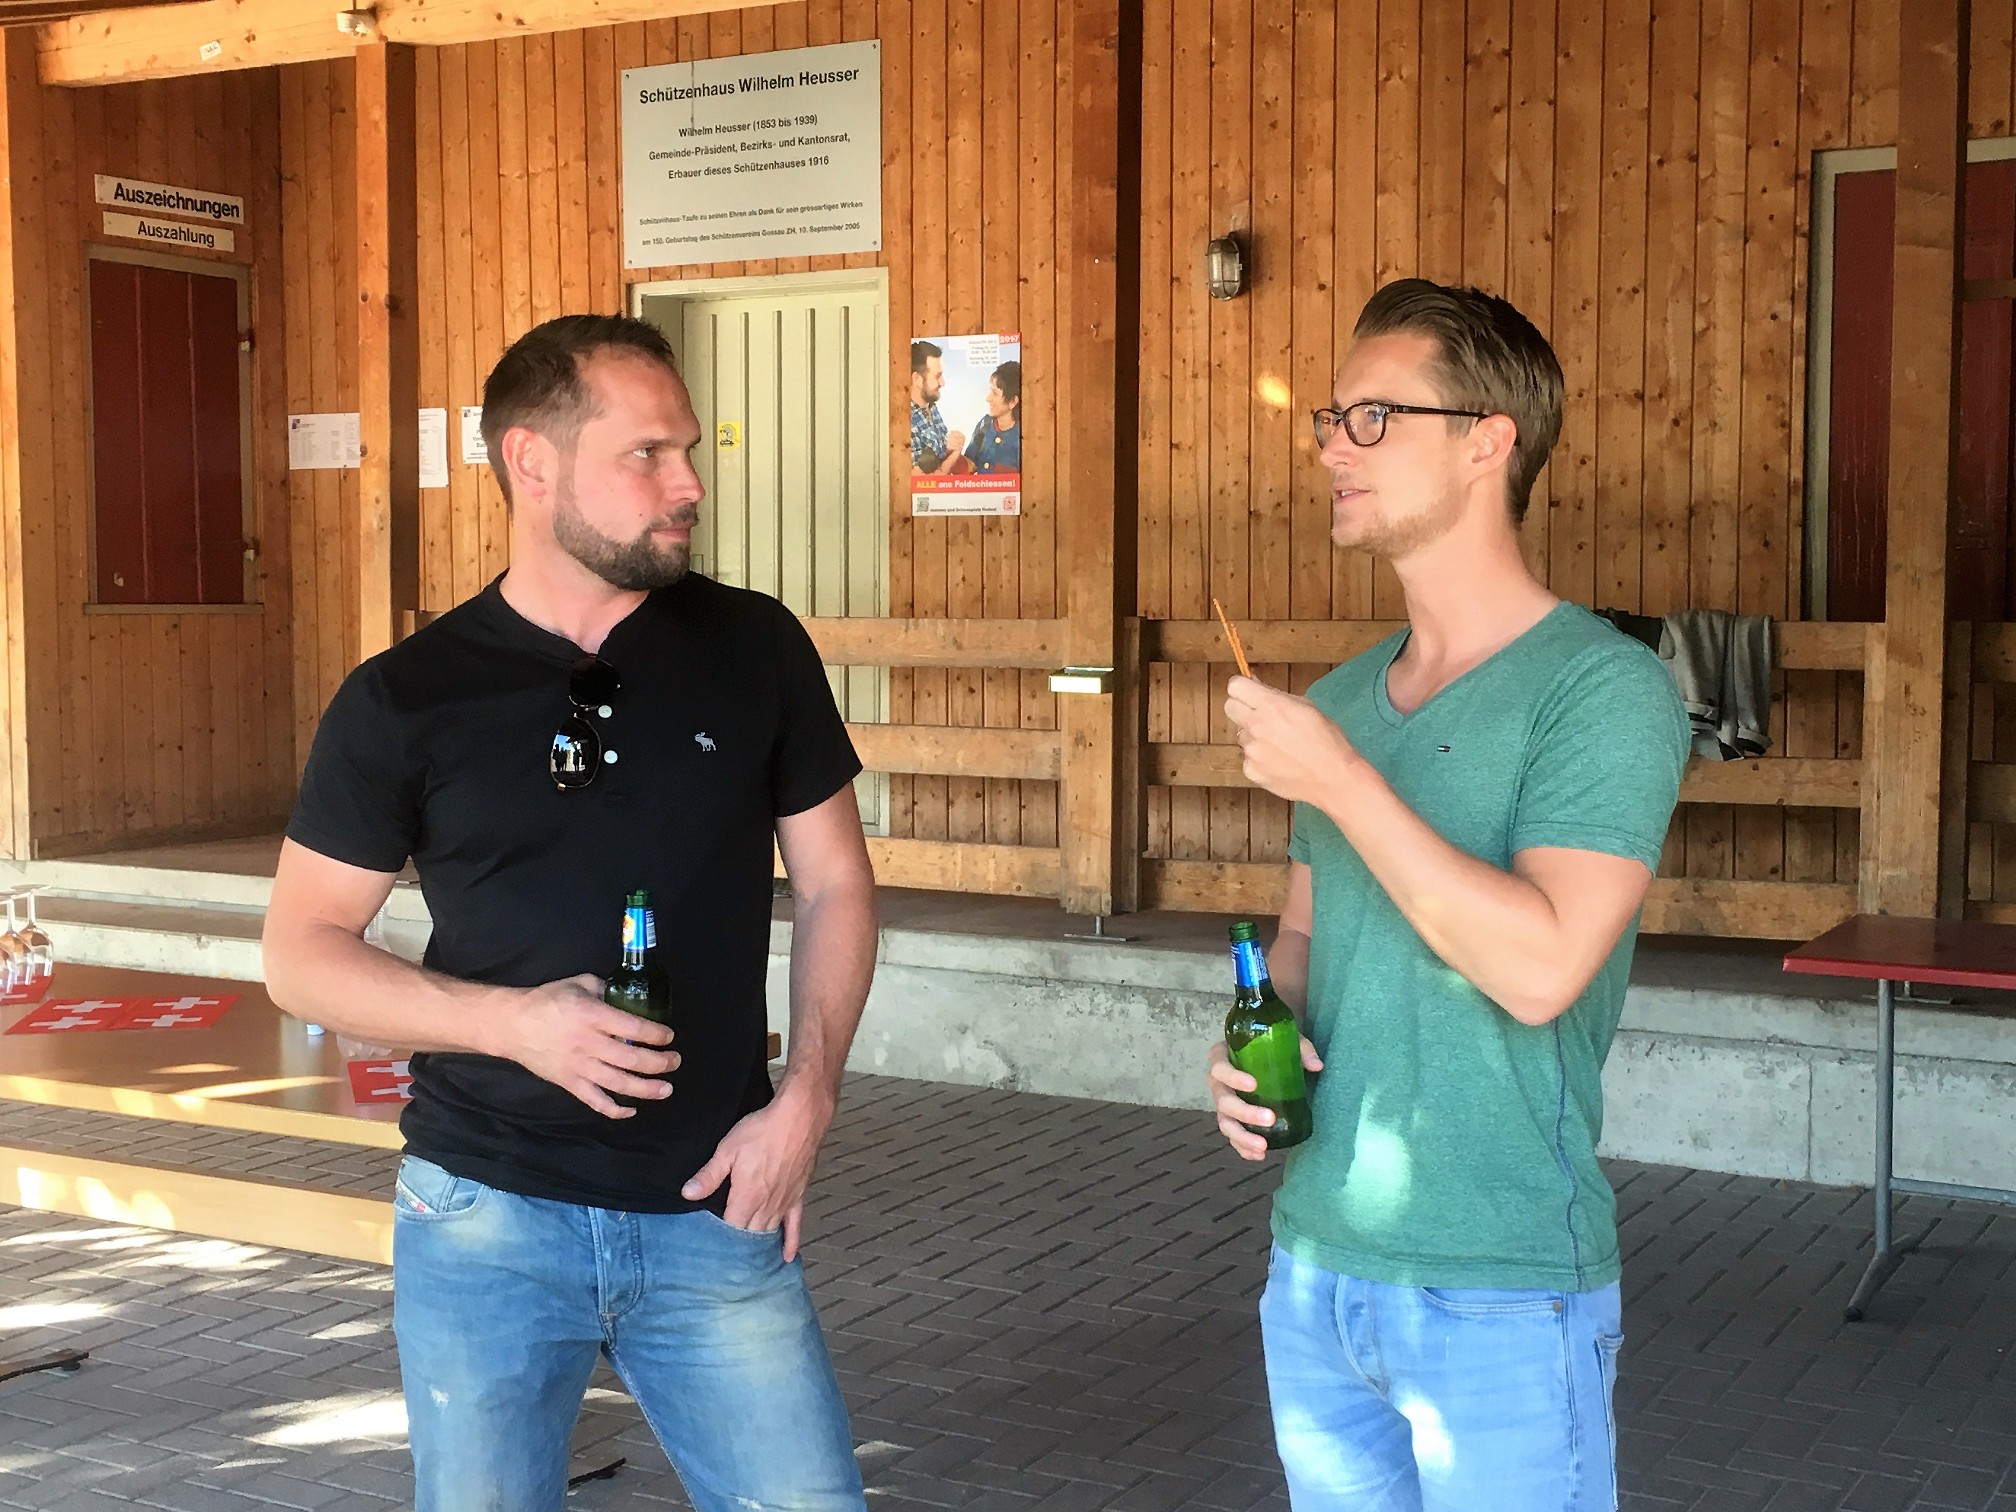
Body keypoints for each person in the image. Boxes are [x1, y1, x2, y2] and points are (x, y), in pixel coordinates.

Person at [262, 314, 877, 1512]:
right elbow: (300, 954)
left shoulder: (754, 646)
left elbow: (837, 884)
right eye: (648, 454)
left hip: (717, 1204)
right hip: (483, 1218)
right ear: (530, 463)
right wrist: (515, 1024)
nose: (689, 483)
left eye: (689, 449)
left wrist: (807, 1101)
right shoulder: (405, 697)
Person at [1209, 279, 1689, 1512]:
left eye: (1373, 418)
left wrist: (1342, 779)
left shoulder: (1603, 689)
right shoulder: (1345, 697)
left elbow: (1542, 970)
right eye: (1332, 419)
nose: (1333, 446)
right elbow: (1305, 930)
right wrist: (1258, 1037)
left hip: (1503, 1287)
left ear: (1488, 441)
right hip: (1316, 1270)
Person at [908, 339, 964, 474]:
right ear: (917, 379)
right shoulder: (906, 420)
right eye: (937, 376)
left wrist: (950, 446)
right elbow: (925, 480)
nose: (942, 383)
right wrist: (955, 453)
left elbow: (938, 456)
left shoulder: (931, 407)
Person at [963, 360, 1022, 475]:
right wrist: (954, 453)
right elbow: (969, 466)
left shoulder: (1022, 437)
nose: (988, 398)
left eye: (995, 393)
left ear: (1013, 401)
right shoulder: (985, 424)